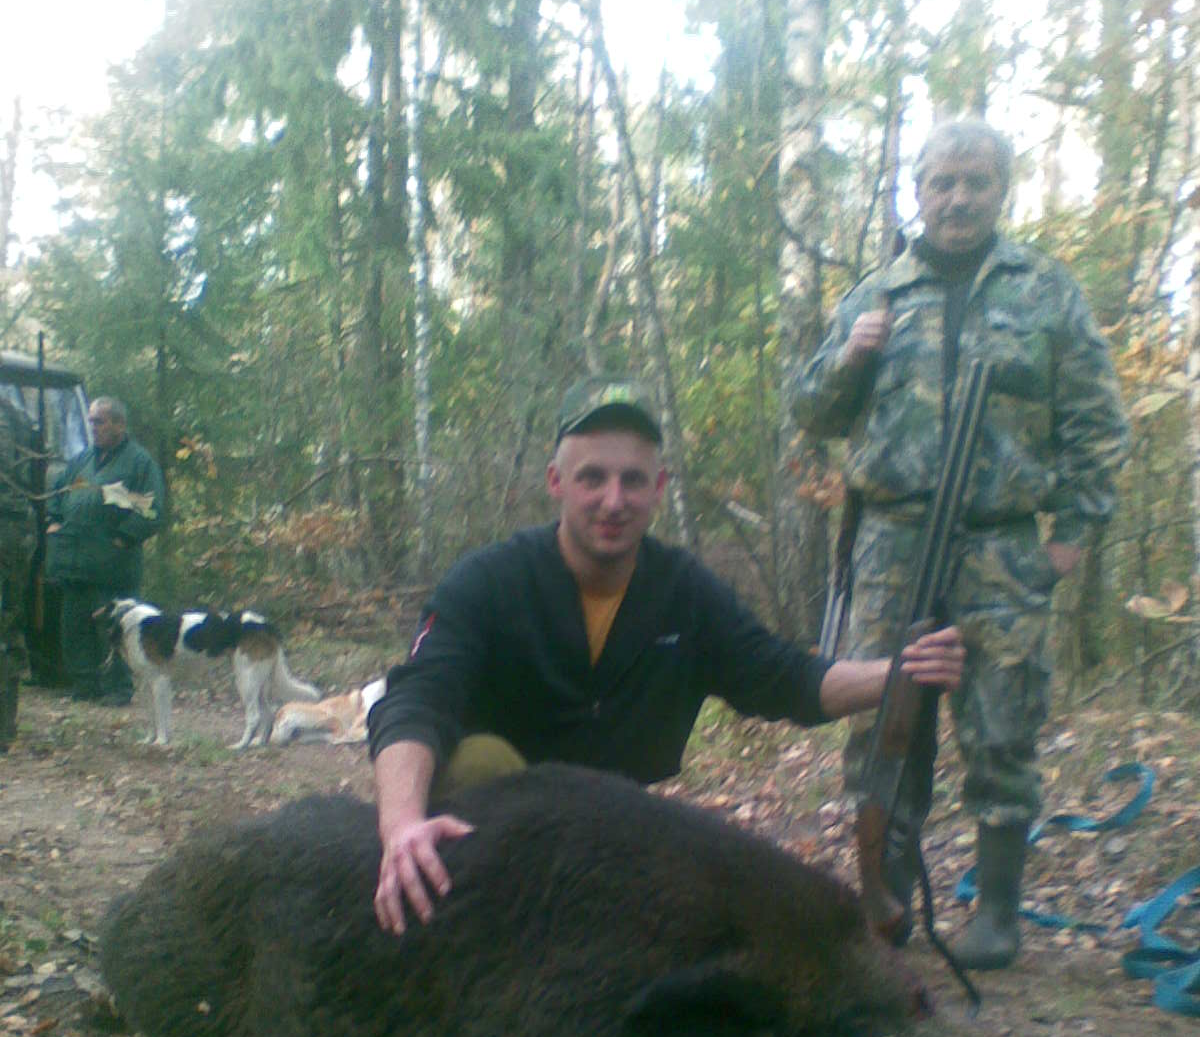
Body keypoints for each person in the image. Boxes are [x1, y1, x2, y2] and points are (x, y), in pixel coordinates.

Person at [369, 375, 965, 934]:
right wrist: (400, 826)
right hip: (495, 829)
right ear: (556, 482)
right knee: (477, 763)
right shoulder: (487, 582)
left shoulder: (684, 592)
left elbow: (786, 679)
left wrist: (901, 673)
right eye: (592, 478)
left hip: (611, 826)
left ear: (658, 489)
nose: (613, 501)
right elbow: (415, 700)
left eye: (633, 480)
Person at [791, 119, 1129, 969]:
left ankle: (998, 918)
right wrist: (850, 357)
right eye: (942, 182)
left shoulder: (1045, 291)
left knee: (1002, 725)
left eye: (976, 181)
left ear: (1001, 190)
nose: (958, 198)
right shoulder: (875, 294)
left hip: (1000, 546)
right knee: (883, 721)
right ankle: (885, 898)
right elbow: (812, 412)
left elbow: (1097, 422)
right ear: (918, 192)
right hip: (891, 542)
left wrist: (1072, 537)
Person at [45, 397, 164, 703]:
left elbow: (153, 510)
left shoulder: (139, 463)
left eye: (99, 421)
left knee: (113, 630)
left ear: (119, 425)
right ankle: (85, 685)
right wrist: (54, 521)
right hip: (75, 563)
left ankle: (117, 688)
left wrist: (123, 538)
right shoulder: (82, 460)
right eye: (91, 421)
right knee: (74, 628)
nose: (93, 427)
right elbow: (58, 492)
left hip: (113, 566)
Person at [0, 393, 36, 751]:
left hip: (7, 526)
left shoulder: (8, 415)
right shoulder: (16, 412)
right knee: (8, 626)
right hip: (16, 526)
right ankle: (4, 727)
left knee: (6, 627)